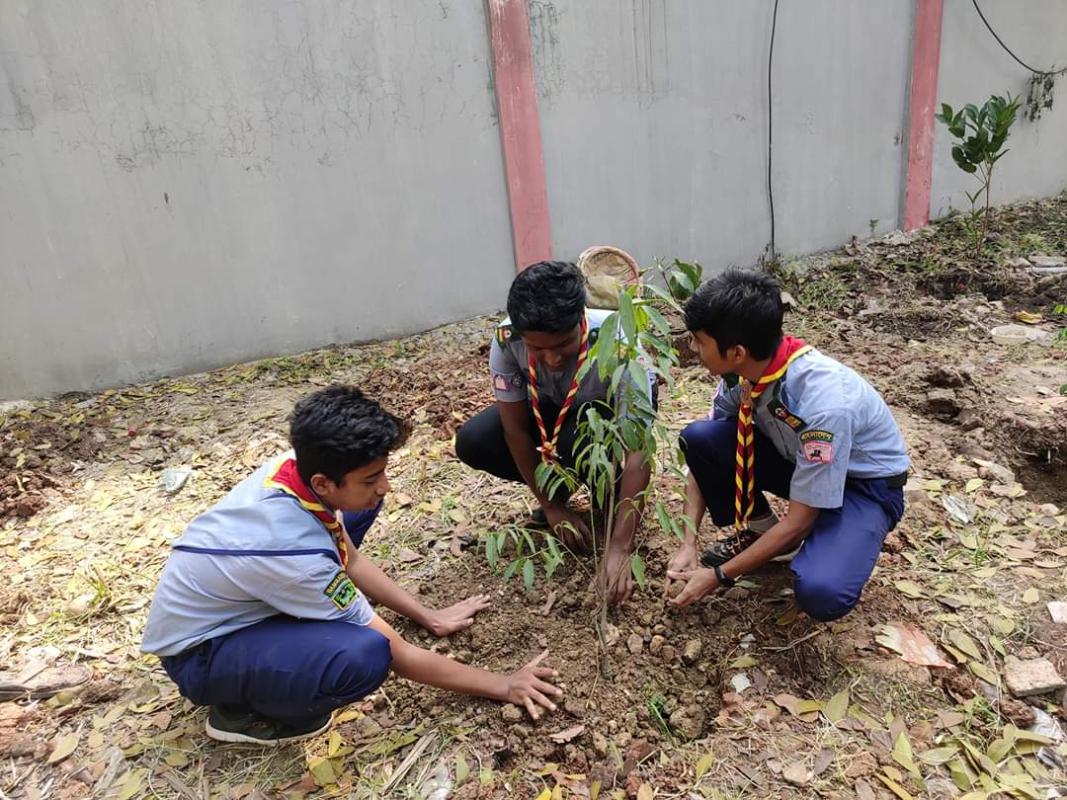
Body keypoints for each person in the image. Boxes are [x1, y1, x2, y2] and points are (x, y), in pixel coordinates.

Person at [142, 386, 560, 745]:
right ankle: (238, 713)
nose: (386, 486)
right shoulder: (297, 556)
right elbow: (398, 653)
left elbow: (350, 558)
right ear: (323, 482)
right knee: (363, 655)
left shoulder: (295, 470)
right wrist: (503, 685)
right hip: (200, 655)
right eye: (371, 476)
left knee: (356, 511)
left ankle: (283, 639)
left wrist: (428, 616)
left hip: (246, 595)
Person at [666, 270, 909, 621]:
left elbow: (798, 520)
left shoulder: (824, 405)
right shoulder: (744, 375)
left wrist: (718, 575)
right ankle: (766, 531)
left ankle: (835, 536)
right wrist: (687, 543)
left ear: (736, 351)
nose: (692, 349)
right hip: (801, 463)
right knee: (701, 438)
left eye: (698, 341)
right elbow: (704, 453)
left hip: (863, 487)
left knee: (821, 591)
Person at [454, 261, 656, 605]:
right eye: (536, 349)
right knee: (474, 440)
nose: (551, 359)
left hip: (603, 425)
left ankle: (609, 491)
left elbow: (638, 448)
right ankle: (564, 492)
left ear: (580, 319)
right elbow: (515, 429)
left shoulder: (619, 342)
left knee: (578, 439)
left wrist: (620, 548)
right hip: (553, 415)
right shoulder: (507, 341)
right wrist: (551, 507)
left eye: (563, 345)